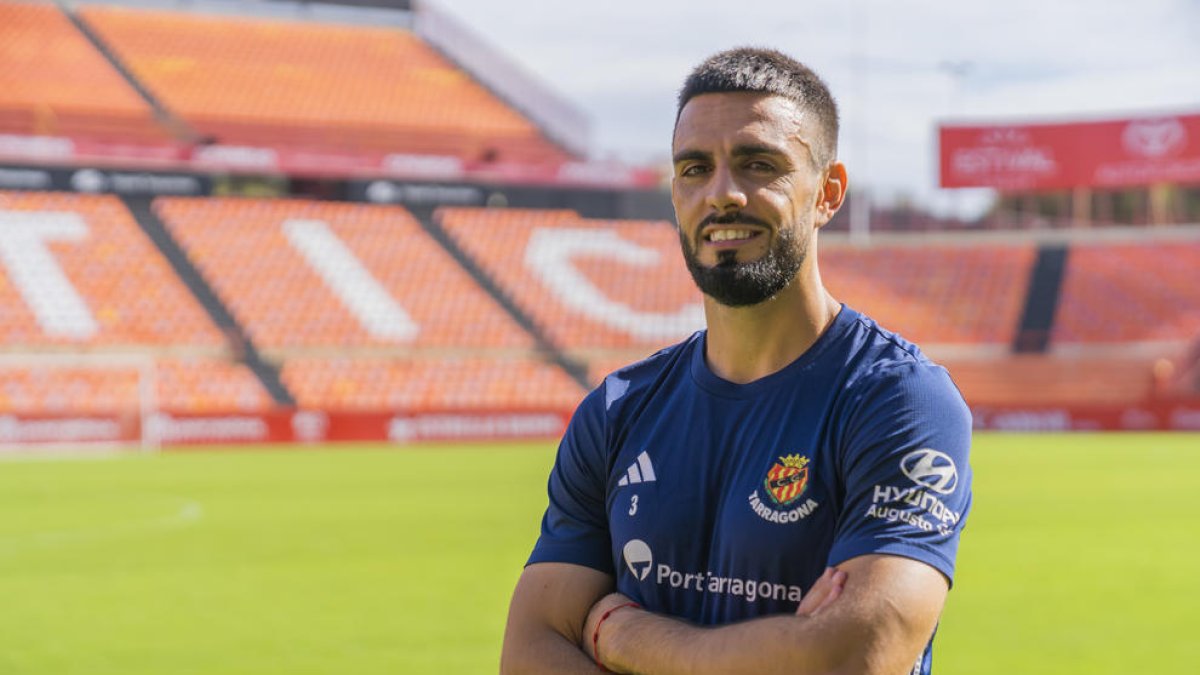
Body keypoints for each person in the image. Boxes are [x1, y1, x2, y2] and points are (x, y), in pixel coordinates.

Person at [501, 47, 973, 675]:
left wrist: (624, 637)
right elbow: (531, 651)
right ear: (675, 193)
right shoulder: (617, 411)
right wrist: (784, 649)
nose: (723, 194)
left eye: (759, 164)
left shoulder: (897, 399)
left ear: (827, 192)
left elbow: (858, 655)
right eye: (695, 168)